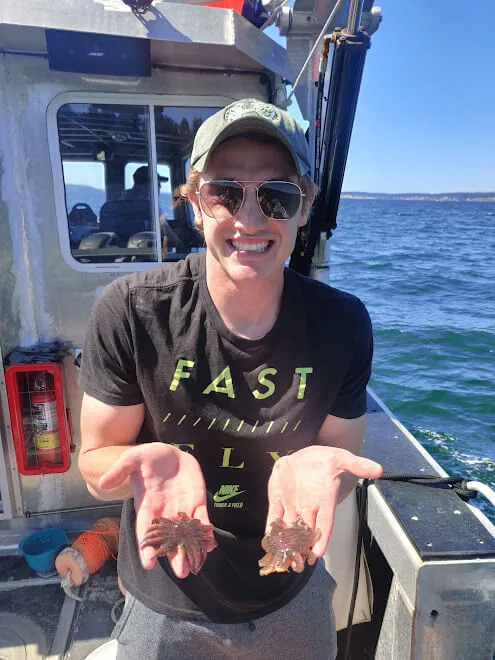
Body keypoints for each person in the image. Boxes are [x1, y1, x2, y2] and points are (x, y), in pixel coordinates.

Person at [78, 98, 383, 660]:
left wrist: (319, 469)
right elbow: (96, 464)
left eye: (276, 195)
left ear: (304, 208)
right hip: (167, 587)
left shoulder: (342, 323)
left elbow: (339, 463)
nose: (249, 218)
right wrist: (148, 466)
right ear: (195, 203)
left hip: (290, 587)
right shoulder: (132, 310)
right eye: (225, 192)